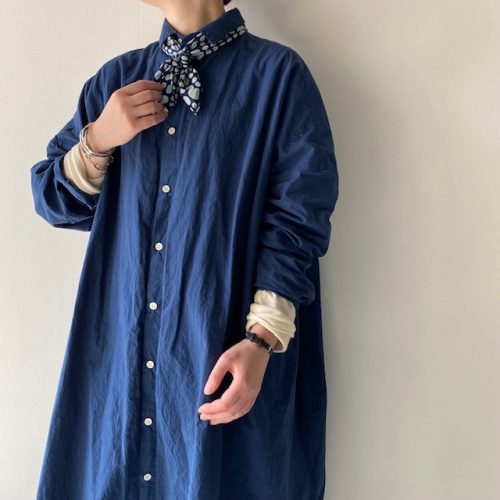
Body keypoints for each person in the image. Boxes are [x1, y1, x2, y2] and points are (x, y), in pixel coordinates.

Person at [30, 1, 339, 498]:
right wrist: (99, 139)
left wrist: (261, 340)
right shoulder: (117, 81)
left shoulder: (278, 77)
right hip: (120, 358)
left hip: (222, 353)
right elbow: (53, 201)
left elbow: (298, 218)